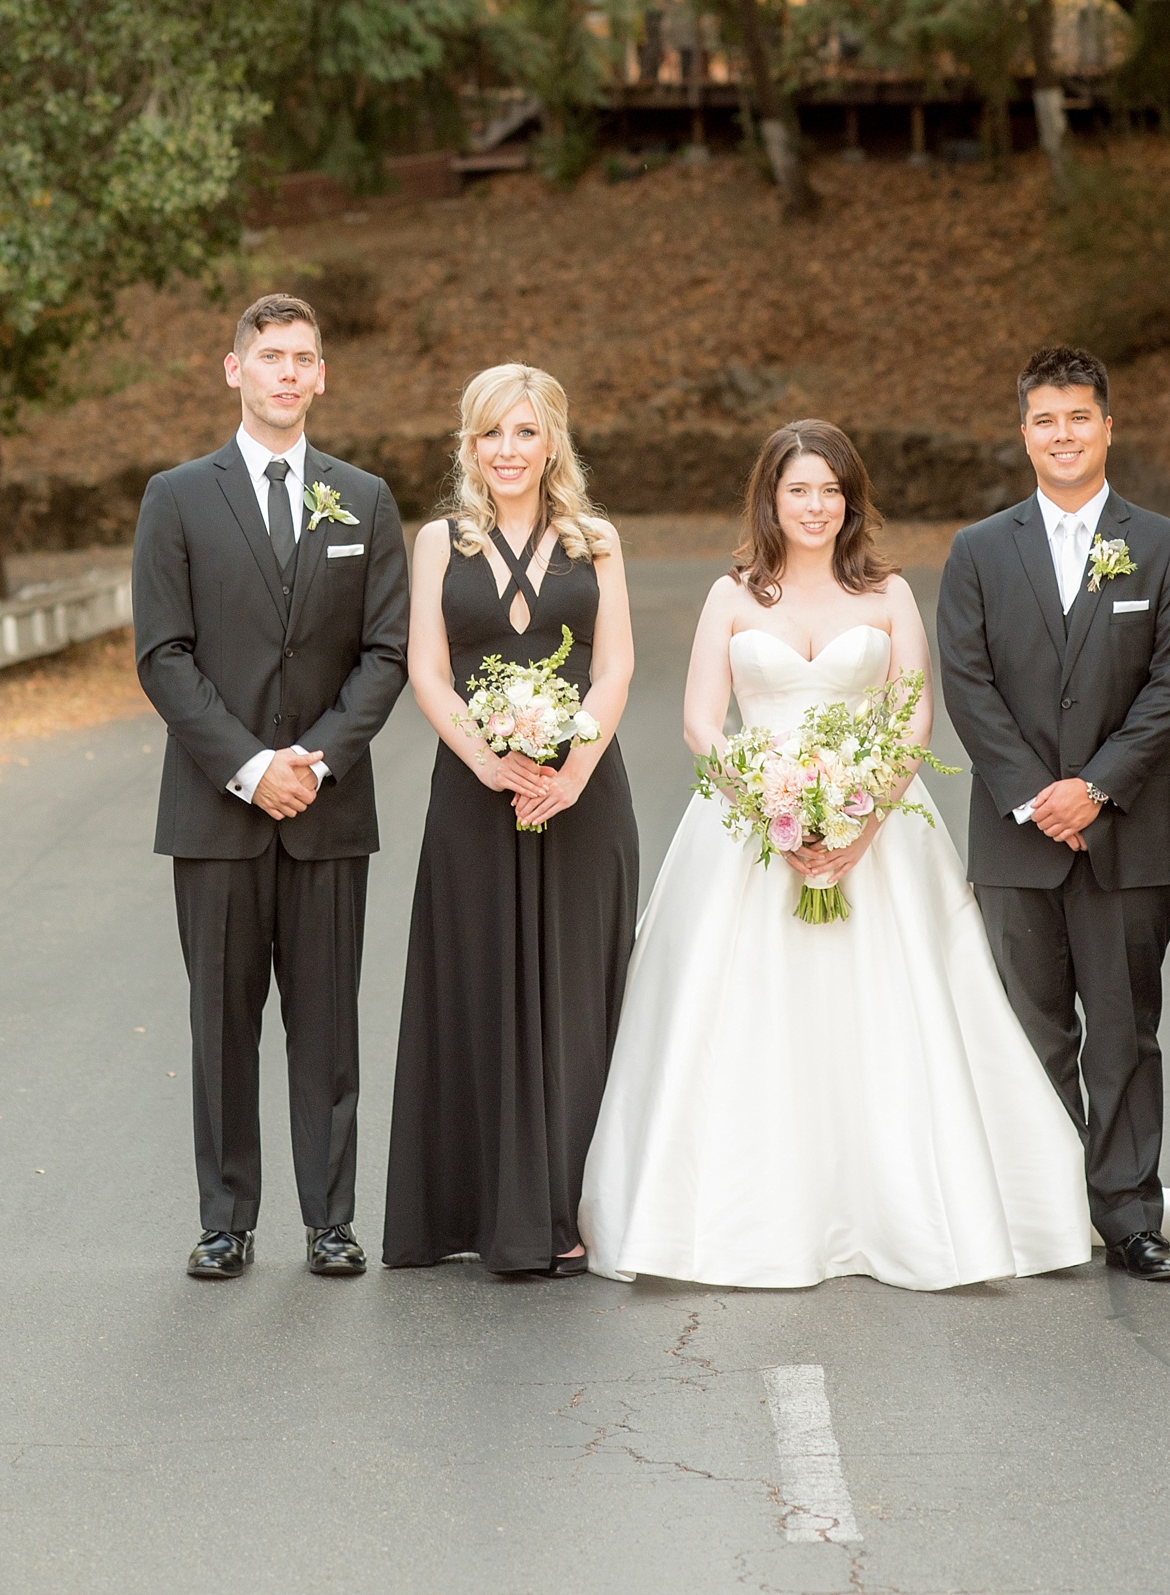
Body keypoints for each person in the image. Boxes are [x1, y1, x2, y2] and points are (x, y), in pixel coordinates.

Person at [580, 419, 1094, 1289]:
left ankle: (917, 1212)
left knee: (900, 1016)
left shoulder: (888, 593)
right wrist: (771, 807)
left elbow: (912, 719)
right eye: (799, 489)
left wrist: (857, 827)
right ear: (770, 498)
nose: (816, 506)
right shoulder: (731, 596)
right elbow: (704, 724)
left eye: (831, 490)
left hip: (880, 827)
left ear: (850, 501)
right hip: (748, 826)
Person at [132, 293, 410, 1280]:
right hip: (214, 815)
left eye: (304, 358)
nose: (288, 372)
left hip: (329, 812)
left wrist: (316, 761)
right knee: (221, 1029)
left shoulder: (365, 501)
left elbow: (384, 656)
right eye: (271, 357)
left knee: (327, 1027)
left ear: (322, 376)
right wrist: (252, 769)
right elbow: (163, 656)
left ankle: (330, 1223)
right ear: (233, 369)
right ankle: (224, 1222)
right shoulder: (175, 497)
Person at [937, 346, 1170, 1282]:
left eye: (1079, 418)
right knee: (1034, 1029)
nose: (1063, 434)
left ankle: (1129, 1215)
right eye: (1045, 420)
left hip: (1128, 833)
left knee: (1127, 1029)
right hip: (1015, 840)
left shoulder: (1168, 546)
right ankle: (1048, 1208)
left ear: (1107, 426)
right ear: (1025, 433)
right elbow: (967, 685)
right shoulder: (977, 550)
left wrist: (1093, 787)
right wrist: (1034, 794)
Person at [383, 364, 637, 1277]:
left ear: (553, 441)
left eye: (526, 432)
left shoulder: (596, 540)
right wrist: (486, 758)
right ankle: (484, 1208)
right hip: (473, 797)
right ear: (469, 442)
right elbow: (427, 668)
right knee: (480, 985)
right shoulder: (438, 541)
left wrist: (571, 771)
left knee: (574, 994)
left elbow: (612, 669)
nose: (508, 450)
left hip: (580, 799)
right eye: (491, 433)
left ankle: (569, 1209)